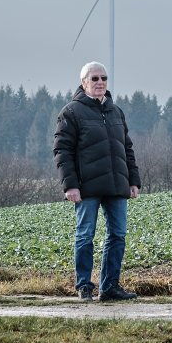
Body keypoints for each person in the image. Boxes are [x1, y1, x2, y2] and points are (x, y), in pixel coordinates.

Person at [54, 61, 141, 301]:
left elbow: (127, 148)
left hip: (116, 185)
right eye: (94, 79)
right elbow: (62, 151)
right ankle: (84, 286)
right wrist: (70, 185)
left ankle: (110, 287)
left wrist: (133, 181)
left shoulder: (116, 111)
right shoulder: (71, 112)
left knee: (118, 235)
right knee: (85, 235)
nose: (100, 82)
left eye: (103, 78)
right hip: (86, 187)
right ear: (83, 83)